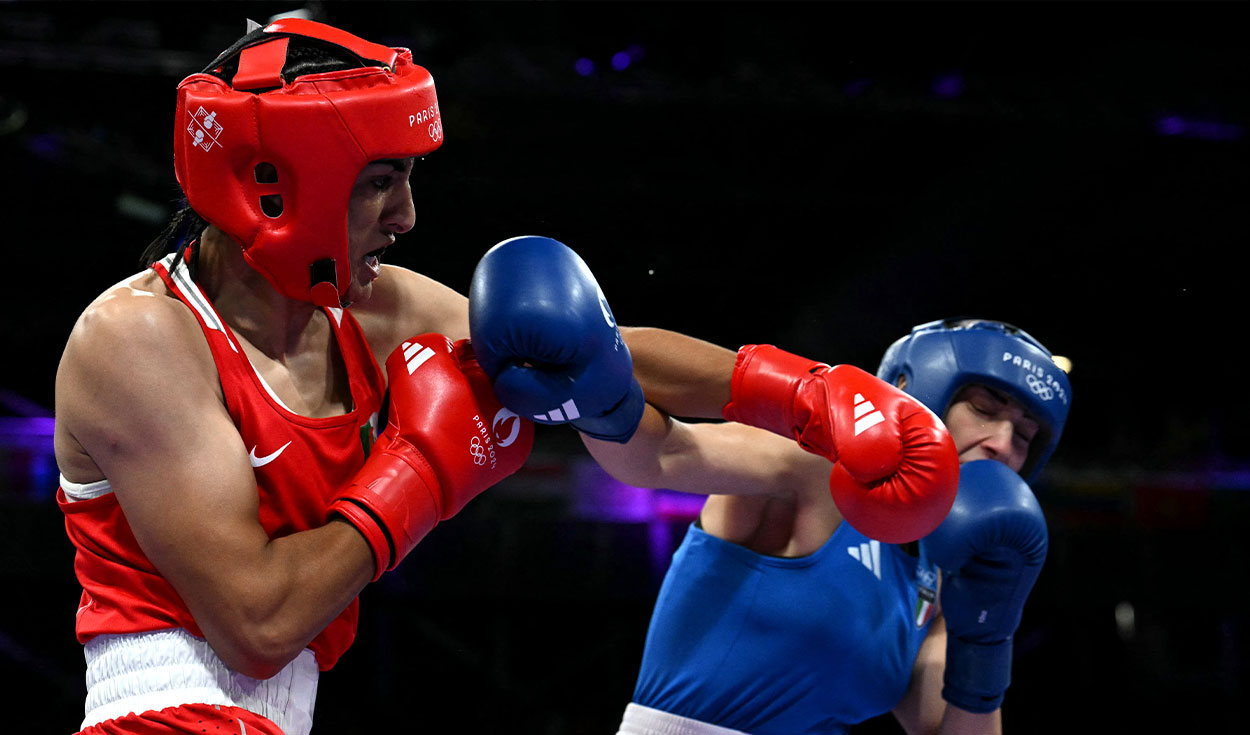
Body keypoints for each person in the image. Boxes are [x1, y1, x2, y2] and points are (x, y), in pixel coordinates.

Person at [52, 18, 538, 735]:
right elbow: (259, 623)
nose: (404, 215)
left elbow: (583, 353)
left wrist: (760, 390)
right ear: (273, 185)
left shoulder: (369, 310)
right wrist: (419, 473)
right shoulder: (138, 335)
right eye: (378, 181)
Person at [465, 239, 1069, 734]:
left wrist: (990, 628)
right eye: (987, 408)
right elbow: (666, 453)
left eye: (1025, 435)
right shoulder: (816, 470)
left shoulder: (945, 588)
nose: (1002, 444)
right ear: (921, 391)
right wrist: (591, 384)